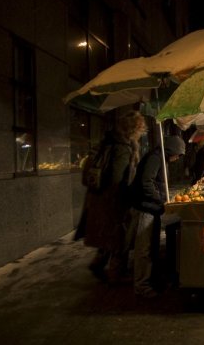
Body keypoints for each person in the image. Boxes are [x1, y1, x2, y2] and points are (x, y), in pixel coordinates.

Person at [81, 111, 147, 284]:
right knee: (120, 237)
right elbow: (118, 179)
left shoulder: (108, 142)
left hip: (100, 198)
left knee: (109, 235)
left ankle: (98, 263)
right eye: (140, 128)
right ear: (134, 129)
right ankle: (116, 276)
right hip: (115, 200)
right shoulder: (123, 148)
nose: (142, 131)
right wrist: (131, 193)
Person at [130, 135, 185, 298]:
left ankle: (150, 280)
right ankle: (141, 286)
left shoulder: (161, 158)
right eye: (178, 154)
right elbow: (147, 183)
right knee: (144, 248)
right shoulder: (155, 158)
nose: (177, 158)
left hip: (152, 207)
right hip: (145, 207)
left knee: (151, 246)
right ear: (171, 149)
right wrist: (161, 200)